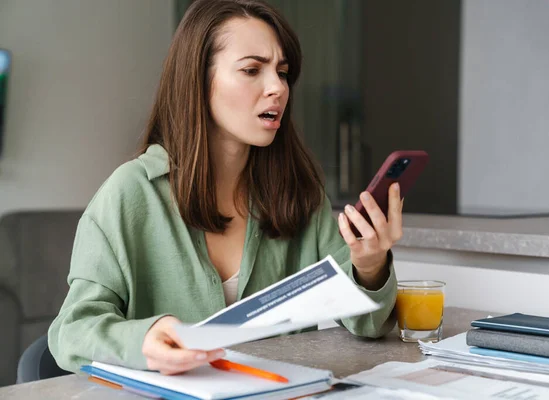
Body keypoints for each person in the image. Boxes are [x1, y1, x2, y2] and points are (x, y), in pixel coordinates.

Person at [48, 0, 404, 376]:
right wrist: (143, 339)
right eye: (252, 70)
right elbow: (71, 331)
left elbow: (368, 324)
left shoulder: (300, 193)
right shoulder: (131, 193)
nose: (277, 88)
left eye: (282, 73)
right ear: (198, 80)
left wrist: (370, 265)